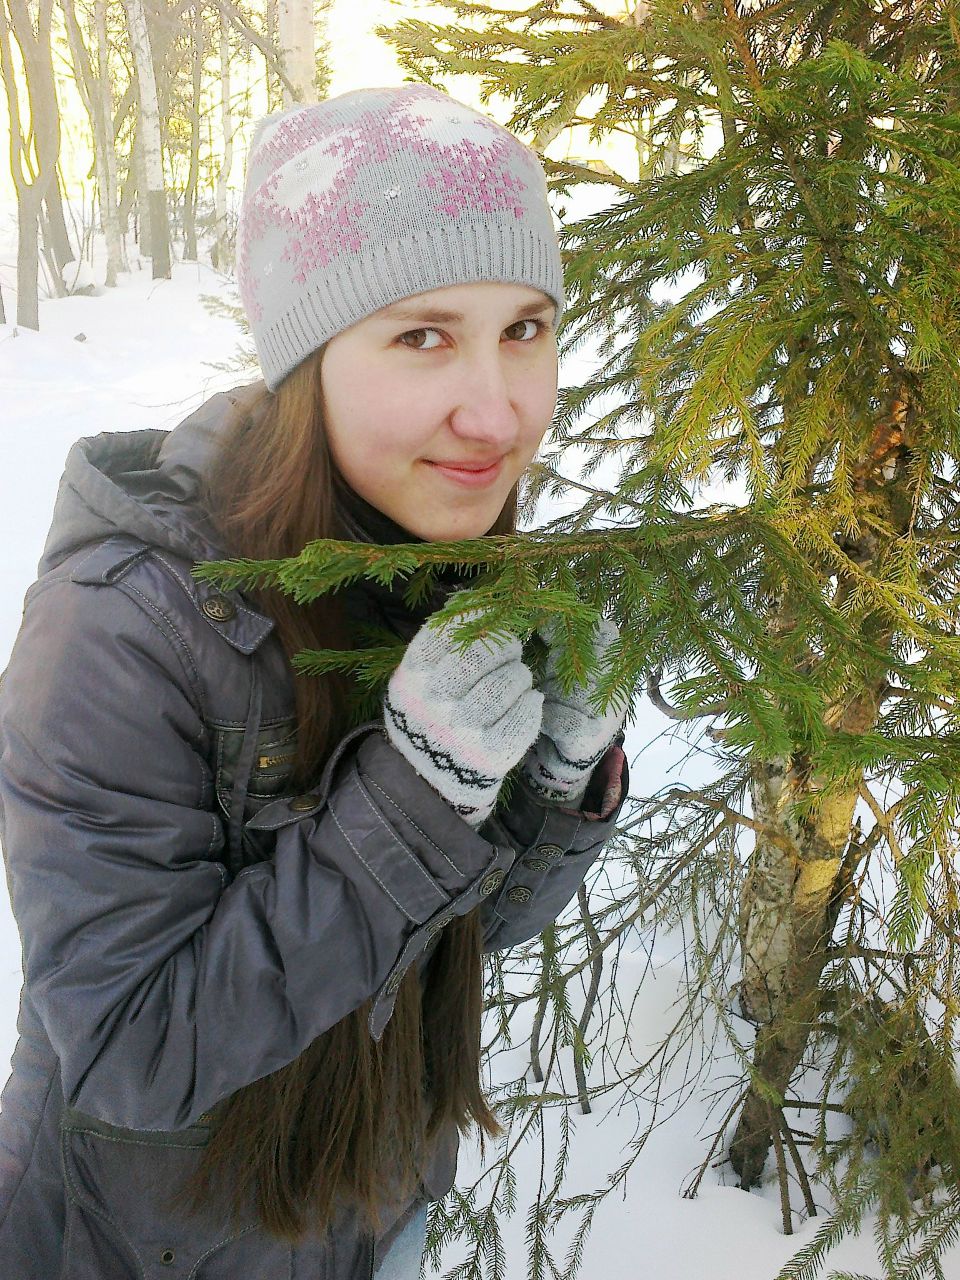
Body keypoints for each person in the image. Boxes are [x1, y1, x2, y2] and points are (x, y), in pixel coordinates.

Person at [0, 85, 629, 1279]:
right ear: (308, 357)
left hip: (378, 1214)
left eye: (528, 328)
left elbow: (442, 934)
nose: (497, 408)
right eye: (423, 335)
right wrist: (414, 797)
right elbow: (130, 1049)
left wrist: (552, 790)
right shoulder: (123, 626)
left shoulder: (440, 546)